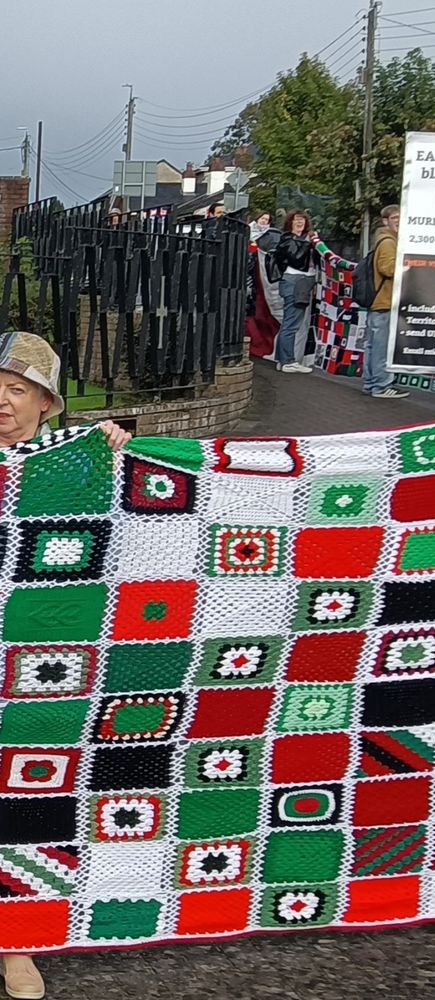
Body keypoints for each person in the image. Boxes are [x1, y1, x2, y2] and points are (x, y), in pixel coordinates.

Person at [0, 332, 129, 1000]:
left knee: (28, 797)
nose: (2, 400)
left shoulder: (69, 465)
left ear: (47, 405)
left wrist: (110, 445)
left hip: (34, 668)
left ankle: (14, 940)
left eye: (18, 389)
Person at [362, 205, 408, 400]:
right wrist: (408, 266)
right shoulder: (388, 242)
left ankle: (370, 382)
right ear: (385, 221)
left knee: (373, 345)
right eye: (394, 217)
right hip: (385, 300)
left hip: (378, 301)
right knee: (382, 347)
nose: (398, 220)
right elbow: (387, 268)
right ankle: (381, 386)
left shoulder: (383, 239)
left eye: (400, 217)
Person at [272, 210, 317, 374]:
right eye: (296, 220)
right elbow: (296, 258)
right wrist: (310, 243)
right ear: (289, 222)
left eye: (302, 220)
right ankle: (288, 361)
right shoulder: (287, 239)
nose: (300, 223)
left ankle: (282, 359)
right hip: (295, 281)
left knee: (289, 322)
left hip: (300, 282)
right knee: (291, 323)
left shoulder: (300, 239)